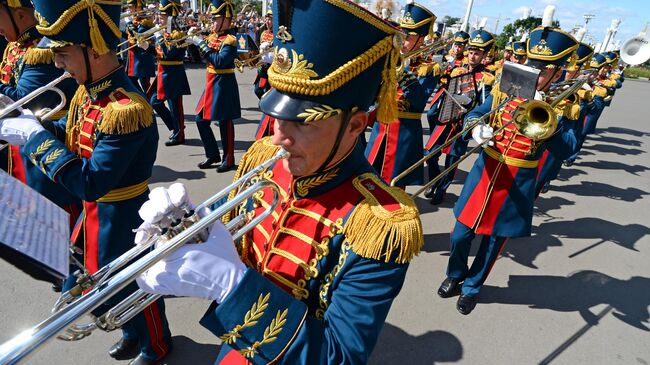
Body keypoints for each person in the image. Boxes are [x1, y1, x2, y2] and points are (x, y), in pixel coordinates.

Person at [135, 0, 423, 363]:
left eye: (303, 123)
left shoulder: (380, 224)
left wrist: (232, 287)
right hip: (236, 343)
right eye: (275, 117)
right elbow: (232, 250)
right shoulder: (264, 161)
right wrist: (193, 236)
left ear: (355, 126)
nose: (277, 139)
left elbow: (340, 357)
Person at [0, 1, 172, 363]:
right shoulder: (86, 92)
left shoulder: (126, 109)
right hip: (95, 215)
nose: (58, 64)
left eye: (63, 54)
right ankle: (130, 330)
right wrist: (33, 125)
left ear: (93, 49)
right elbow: (71, 134)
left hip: (123, 213)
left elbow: (90, 182)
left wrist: (34, 139)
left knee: (134, 283)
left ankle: (155, 345)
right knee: (107, 284)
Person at [436, 25, 579, 315]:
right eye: (532, 65)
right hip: (486, 171)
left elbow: (569, 149)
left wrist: (548, 118)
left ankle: (472, 287)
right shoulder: (506, 89)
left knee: (493, 242)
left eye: (543, 70)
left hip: (518, 180)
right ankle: (455, 273)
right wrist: (476, 128)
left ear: (557, 73)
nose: (534, 73)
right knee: (460, 234)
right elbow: (477, 112)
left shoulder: (563, 105)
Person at [0, 0, 81, 232]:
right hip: (24, 144)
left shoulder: (41, 50)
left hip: (49, 143)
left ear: (20, 15)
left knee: (58, 225)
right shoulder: (16, 46)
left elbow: (25, 100)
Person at [365, 1, 435, 189]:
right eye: (401, 35)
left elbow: (420, 100)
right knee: (368, 179)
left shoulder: (428, 68)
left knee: (394, 188)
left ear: (421, 39)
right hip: (380, 128)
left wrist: (403, 72)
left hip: (404, 132)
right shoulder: (391, 58)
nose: (402, 42)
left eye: (408, 37)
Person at [423, 29, 496, 205]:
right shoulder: (456, 70)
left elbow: (484, 105)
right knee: (430, 153)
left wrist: (470, 107)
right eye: (470, 52)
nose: (472, 56)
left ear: (484, 55)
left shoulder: (486, 78)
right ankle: (434, 181)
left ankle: (442, 189)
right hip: (446, 118)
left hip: (463, 123)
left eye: (476, 53)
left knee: (452, 159)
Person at [187, 0, 241, 172]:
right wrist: (193, 42)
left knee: (224, 122)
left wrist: (200, 43)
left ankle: (229, 158)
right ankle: (212, 154)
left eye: (216, 19)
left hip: (223, 84)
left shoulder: (231, 40)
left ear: (226, 19)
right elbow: (203, 58)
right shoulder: (213, 37)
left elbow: (219, 61)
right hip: (211, 83)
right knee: (200, 120)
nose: (213, 22)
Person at [535, 42, 594, 195]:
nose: (565, 71)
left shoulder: (573, 100)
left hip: (542, 155)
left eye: (570, 67)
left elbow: (570, 142)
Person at [563, 53, 617, 166]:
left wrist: (591, 92)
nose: (590, 75)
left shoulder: (601, 88)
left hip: (584, 115)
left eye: (593, 73)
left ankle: (571, 157)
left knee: (581, 133)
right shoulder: (577, 82)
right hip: (570, 115)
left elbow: (596, 105)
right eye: (588, 72)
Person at [150, 0, 191, 146]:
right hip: (163, 72)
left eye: (162, 17)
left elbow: (169, 53)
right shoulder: (165, 33)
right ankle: (176, 127)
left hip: (173, 73)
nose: (159, 19)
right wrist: (146, 47)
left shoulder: (178, 34)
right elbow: (159, 53)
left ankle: (179, 134)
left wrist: (160, 37)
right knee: (154, 102)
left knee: (175, 106)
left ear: (171, 18)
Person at [123, 0, 157, 95]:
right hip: (134, 59)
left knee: (146, 87)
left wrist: (132, 31)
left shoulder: (146, 22)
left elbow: (142, 40)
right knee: (130, 81)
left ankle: (148, 103)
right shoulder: (132, 21)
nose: (128, 10)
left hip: (143, 59)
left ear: (137, 7)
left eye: (130, 7)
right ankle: (144, 100)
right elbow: (128, 37)